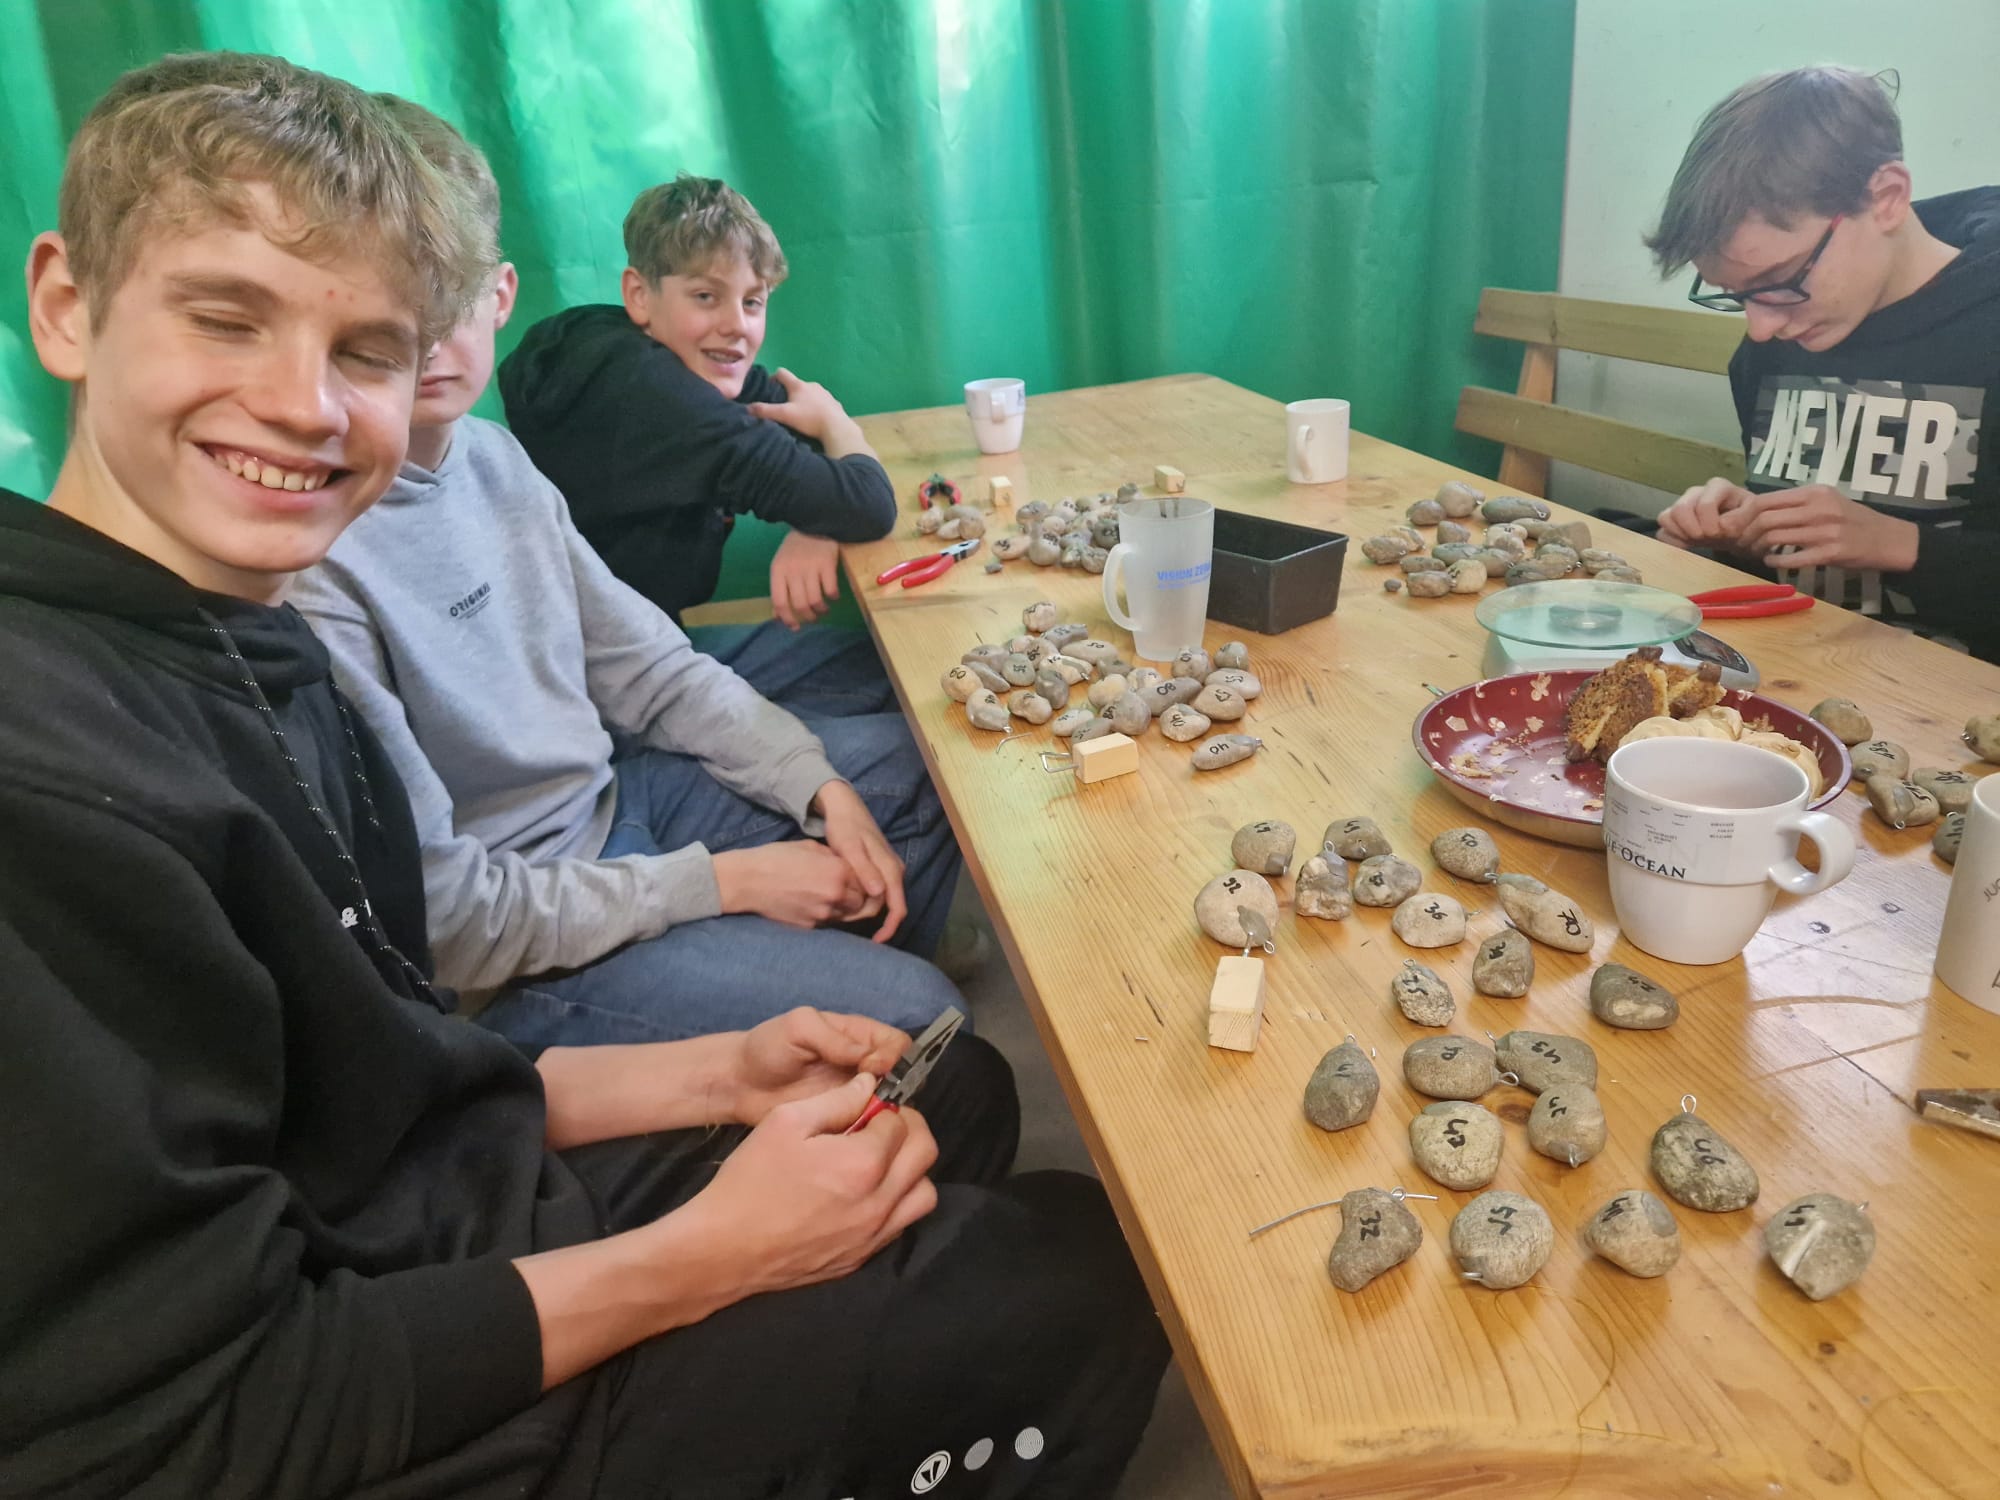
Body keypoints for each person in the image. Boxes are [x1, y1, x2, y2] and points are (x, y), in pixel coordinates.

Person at [0, 51, 1167, 1499]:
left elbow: (385, 1075)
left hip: (462, 1193)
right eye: (225, 319)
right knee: (1091, 1280)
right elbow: (198, 1420)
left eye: (367, 349)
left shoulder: (257, 645)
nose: (305, 406)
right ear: (66, 305)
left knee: (960, 1092)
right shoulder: (54, 771)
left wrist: (721, 1067)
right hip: (421, 1383)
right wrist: (708, 1257)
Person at [291, 102, 966, 1046]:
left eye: (451, 293)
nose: (429, 336)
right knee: (929, 1019)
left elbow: (651, 667)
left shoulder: (492, 458)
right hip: (521, 943)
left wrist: (818, 787)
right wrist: (721, 884)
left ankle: (812, 990)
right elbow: (447, 919)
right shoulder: (311, 558)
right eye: (388, 302)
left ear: (498, 295)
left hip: (615, 804)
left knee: (923, 768)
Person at [499, 172, 901, 717]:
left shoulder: (636, 350)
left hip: (647, 648)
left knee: (883, 674)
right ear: (639, 296)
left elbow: (810, 441)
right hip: (598, 699)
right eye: (706, 296)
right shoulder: (653, 397)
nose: (735, 326)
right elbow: (869, 503)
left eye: (753, 302)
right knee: (906, 738)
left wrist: (819, 519)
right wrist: (838, 436)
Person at [1645, 66, 1999, 661]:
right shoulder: (1777, 344)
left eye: (1781, 281)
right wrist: (1742, 534)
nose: (1760, 328)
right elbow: (1799, 576)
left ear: (1887, 197)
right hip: (1794, 669)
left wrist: (1906, 546)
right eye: (1736, 295)